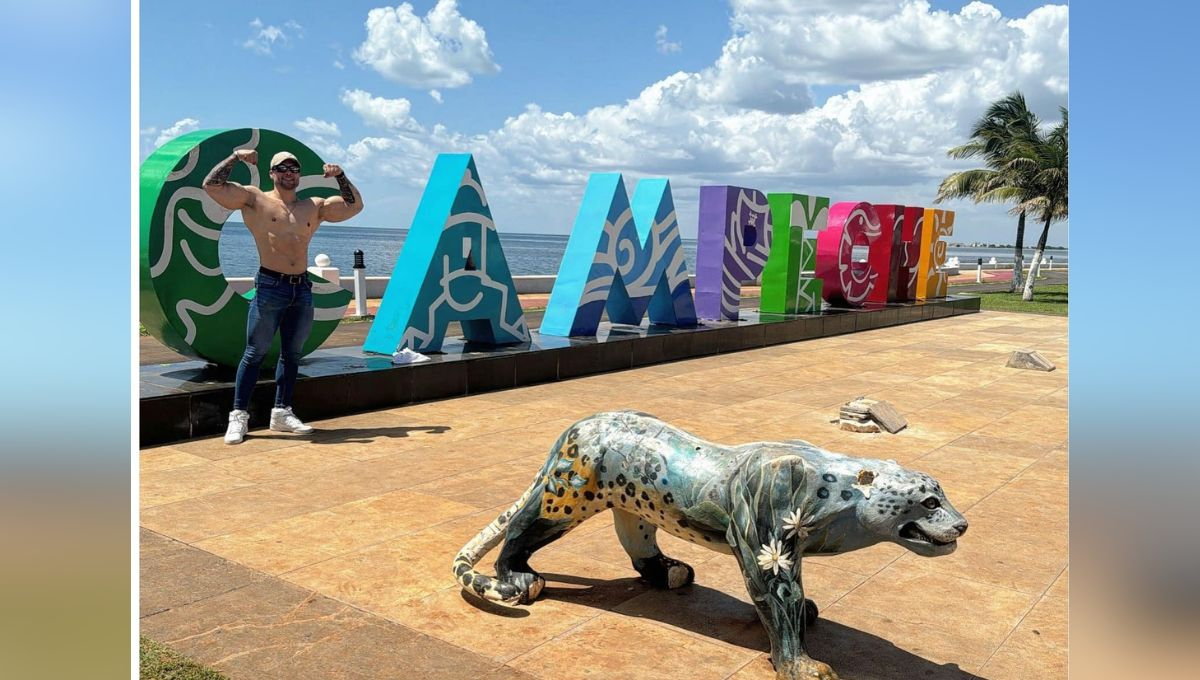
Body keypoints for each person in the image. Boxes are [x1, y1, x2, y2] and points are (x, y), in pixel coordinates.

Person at [203, 149, 363, 444]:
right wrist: (234, 158)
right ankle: (238, 416)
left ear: (299, 175)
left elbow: (354, 206)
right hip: (269, 286)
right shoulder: (254, 199)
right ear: (272, 173)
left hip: (301, 288)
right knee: (254, 353)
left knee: (292, 355)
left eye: (294, 168)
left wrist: (340, 176)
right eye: (282, 168)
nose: (289, 172)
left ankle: (282, 412)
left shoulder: (313, 206)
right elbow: (212, 187)